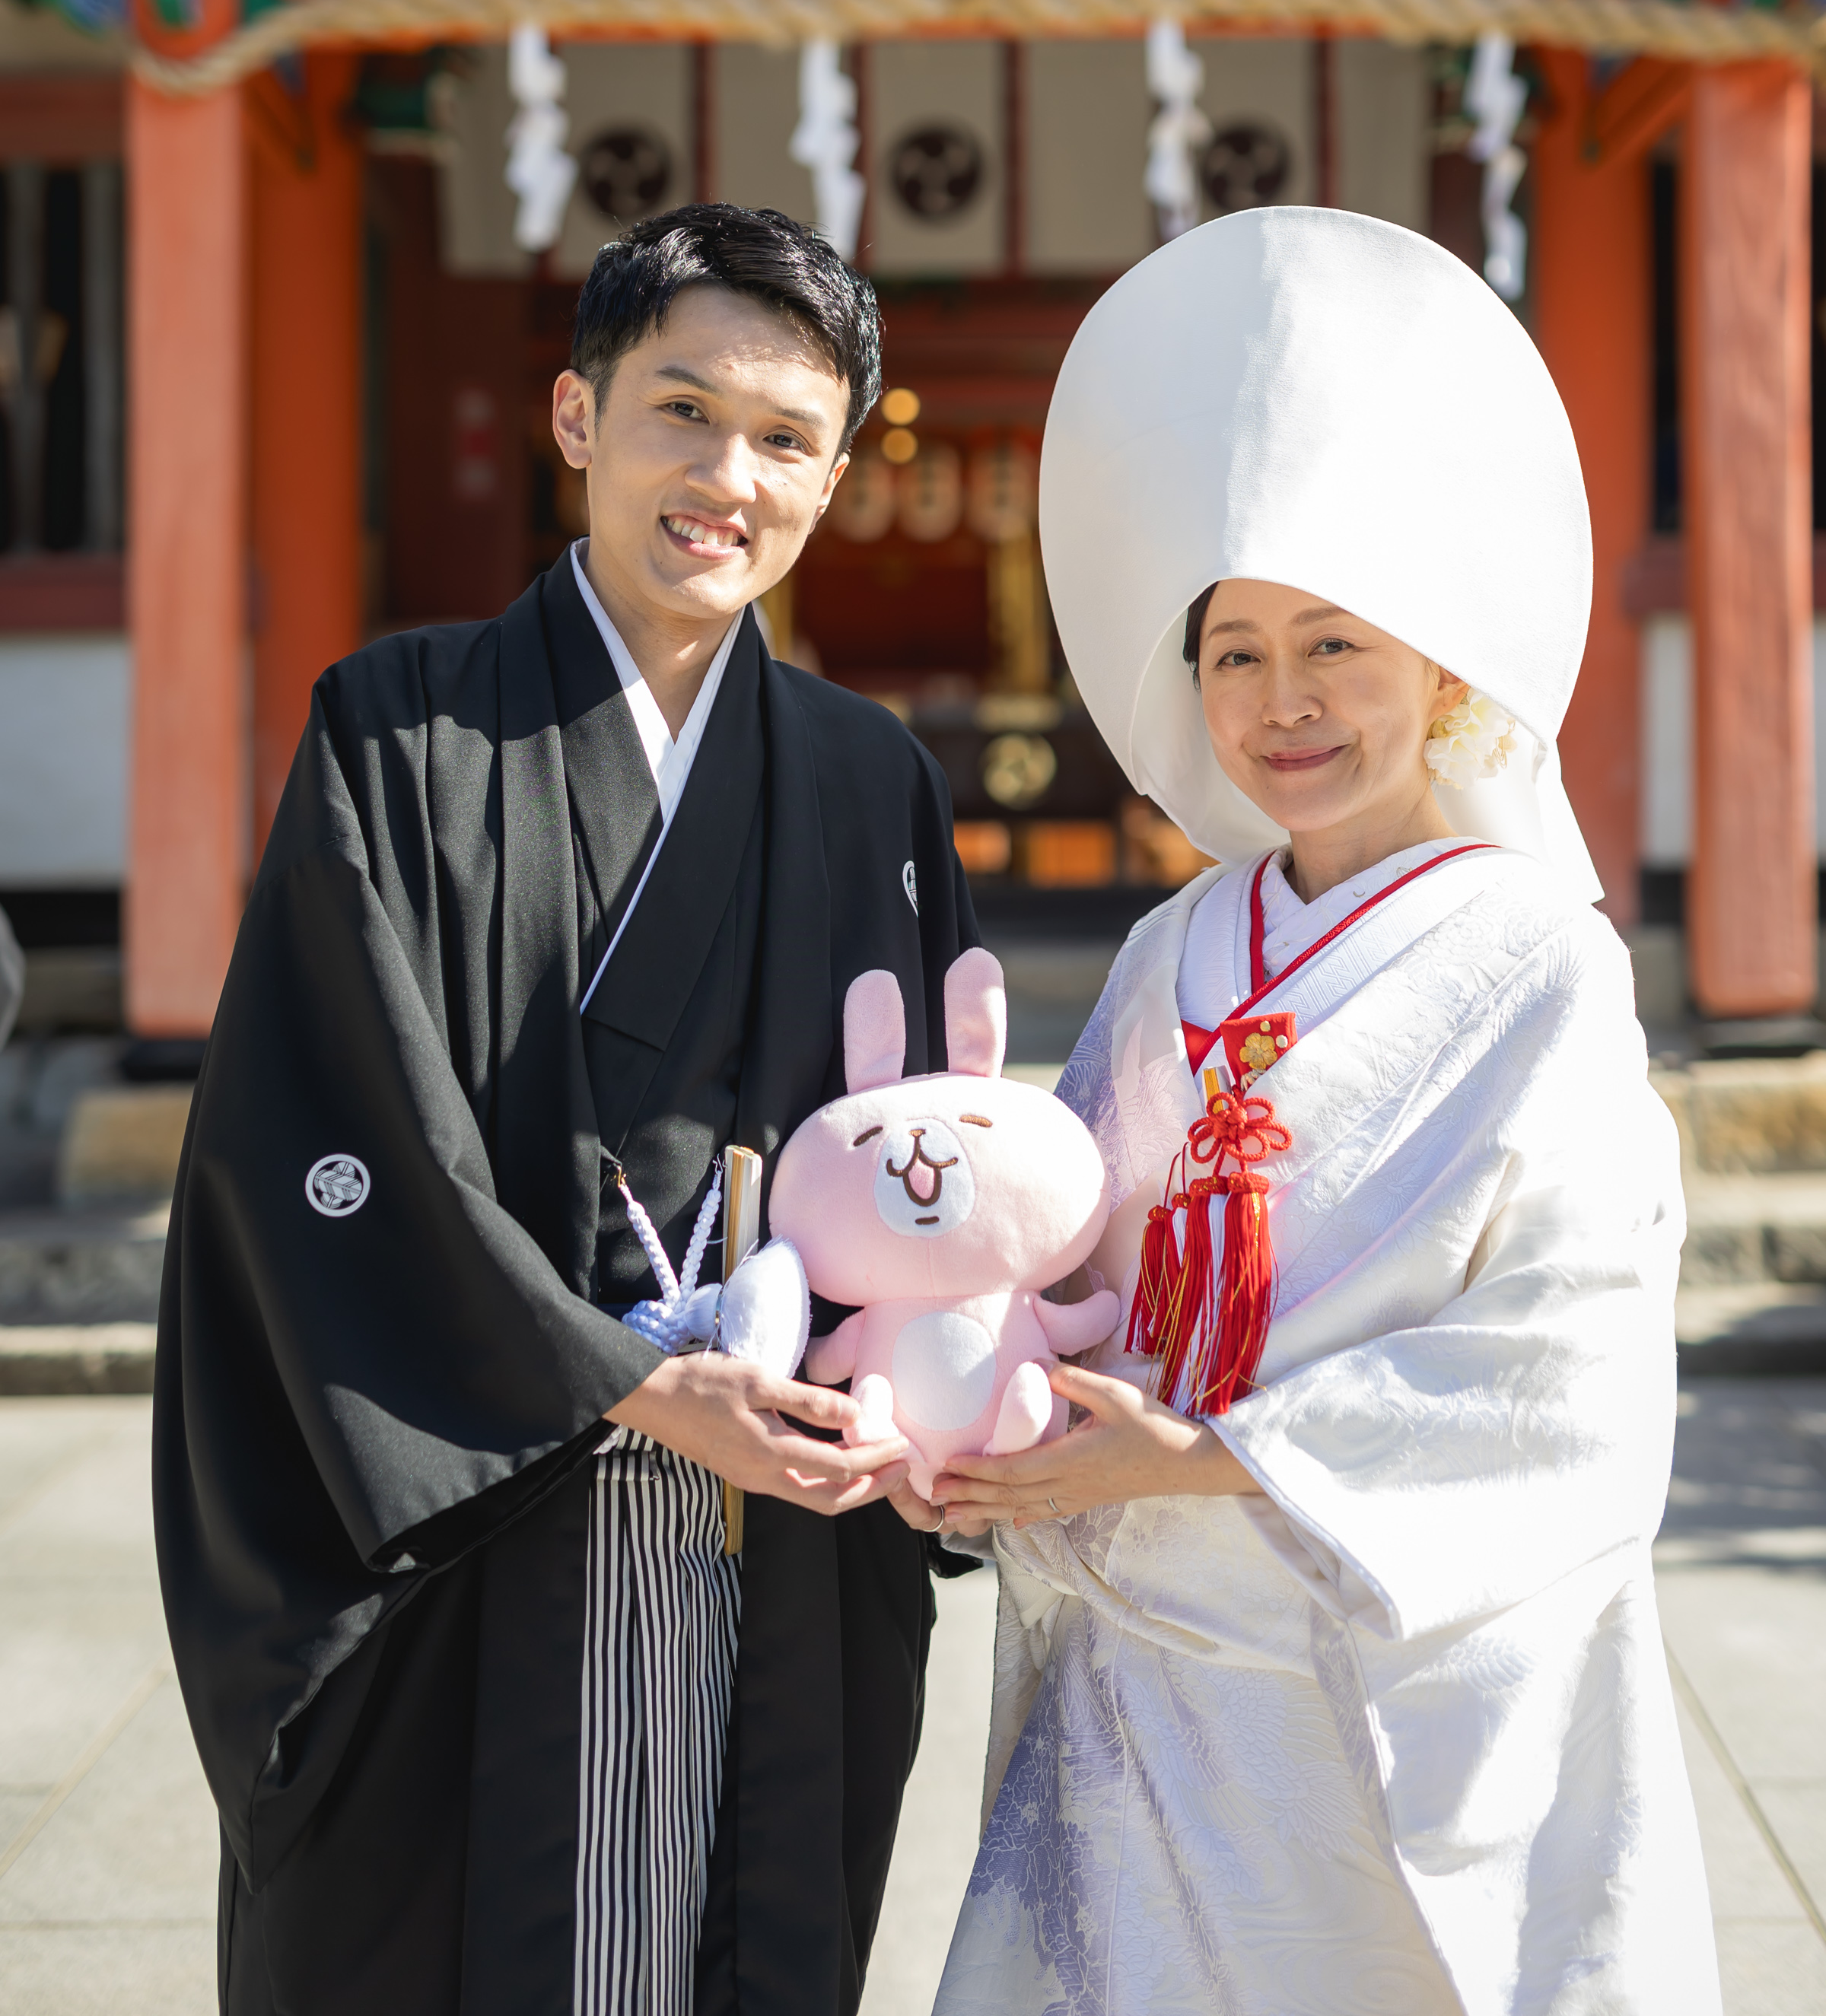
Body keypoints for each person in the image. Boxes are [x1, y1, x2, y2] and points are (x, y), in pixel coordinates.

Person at [154, 205, 975, 2016]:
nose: (729, 478)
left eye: (785, 440)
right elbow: (328, 1141)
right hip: (471, 1530)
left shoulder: (872, 780)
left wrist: (929, 1376)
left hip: (777, 1525)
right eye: (684, 411)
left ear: (834, 481)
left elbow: (933, 1164)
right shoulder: (396, 734)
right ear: (577, 415)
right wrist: (628, 1383)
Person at [930, 207, 1718, 2016]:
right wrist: (975, 1377)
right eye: (1234, 653)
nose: (1282, 703)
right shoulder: (1175, 950)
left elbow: (1572, 1356)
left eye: (1336, 646)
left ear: (1441, 669)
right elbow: (1077, 1253)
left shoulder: (1540, 961)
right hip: (1145, 1669)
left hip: (1373, 1669)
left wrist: (1211, 1455)